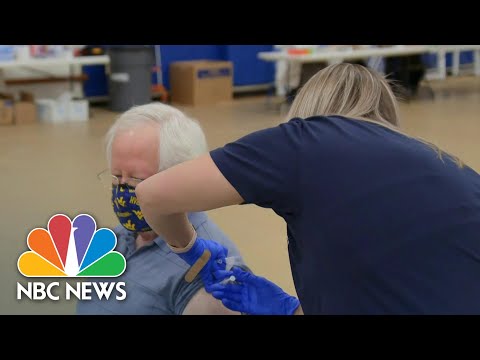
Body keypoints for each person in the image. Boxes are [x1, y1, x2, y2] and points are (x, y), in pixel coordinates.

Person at [135, 63, 480, 315]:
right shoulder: (459, 174)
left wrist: (190, 248)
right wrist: (292, 310)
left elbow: (153, 195)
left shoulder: (305, 140)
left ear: (308, 112)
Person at [76, 102, 249, 315]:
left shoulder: (208, 272)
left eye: (135, 181)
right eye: (116, 176)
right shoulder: (119, 238)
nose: (122, 192)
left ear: (181, 179)